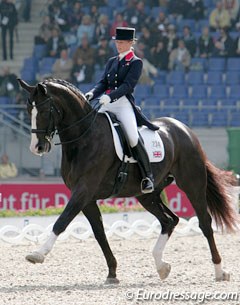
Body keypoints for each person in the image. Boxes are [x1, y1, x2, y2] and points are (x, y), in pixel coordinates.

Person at [85, 27, 158, 194]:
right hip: (106, 102)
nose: (118, 45)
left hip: (123, 103)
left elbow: (128, 86)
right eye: (117, 42)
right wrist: (92, 93)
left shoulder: (136, 62)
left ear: (130, 43)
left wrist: (110, 97)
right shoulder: (112, 61)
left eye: (122, 42)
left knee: (132, 137)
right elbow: (103, 83)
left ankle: (148, 177)